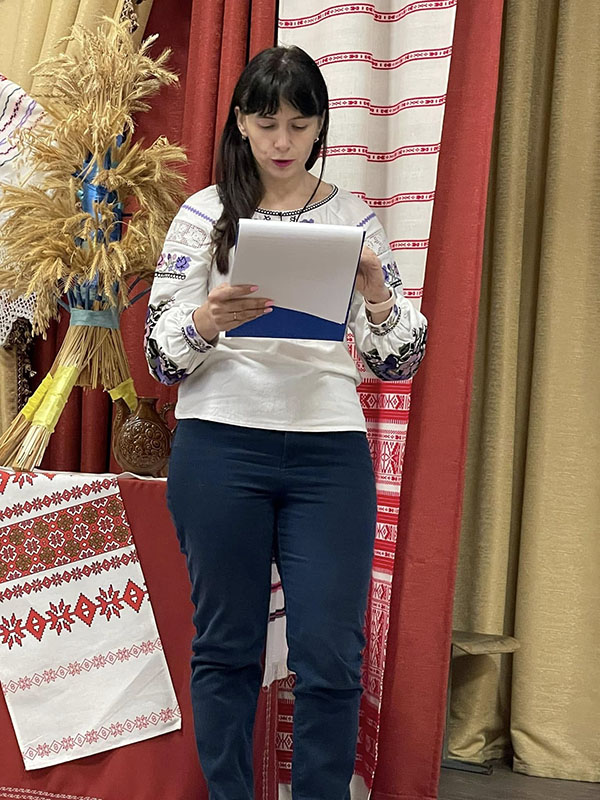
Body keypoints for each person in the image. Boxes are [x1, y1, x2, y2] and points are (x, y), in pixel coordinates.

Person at [145, 45, 427, 800]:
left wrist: (376, 294)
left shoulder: (354, 218)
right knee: (227, 647)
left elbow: (399, 361)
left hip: (328, 450)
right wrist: (207, 321)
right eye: (266, 123)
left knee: (331, 654)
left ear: (321, 127)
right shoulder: (204, 214)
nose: (281, 141)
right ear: (240, 123)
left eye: (299, 126)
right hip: (219, 444)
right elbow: (160, 358)